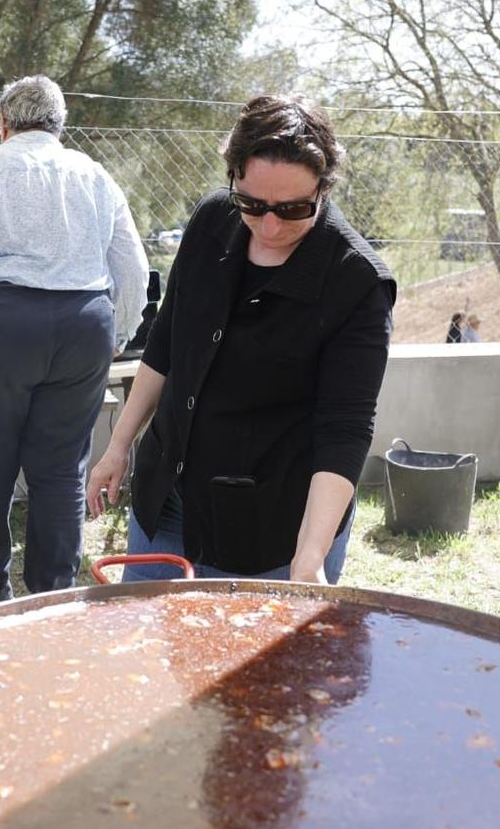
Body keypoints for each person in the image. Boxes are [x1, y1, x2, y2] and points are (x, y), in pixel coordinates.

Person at [86, 94, 394, 583]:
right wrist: (118, 446)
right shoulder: (212, 220)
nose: (270, 226)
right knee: (153, 652)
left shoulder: (356, 282)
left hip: (277, 528)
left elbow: (346, 429)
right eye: (252, 203)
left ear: (324, 188)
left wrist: (310, 558)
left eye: (294, 209)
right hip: (168, 502)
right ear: (232, 177)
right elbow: (168, 343)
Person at [0, 75, 149, 609]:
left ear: (3, 123)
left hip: (1, 324)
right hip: (84, 324)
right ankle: (52, 595)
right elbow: (133, 267)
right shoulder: (95, 174)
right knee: (61, 469)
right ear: (59, 125)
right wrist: (119, 329)